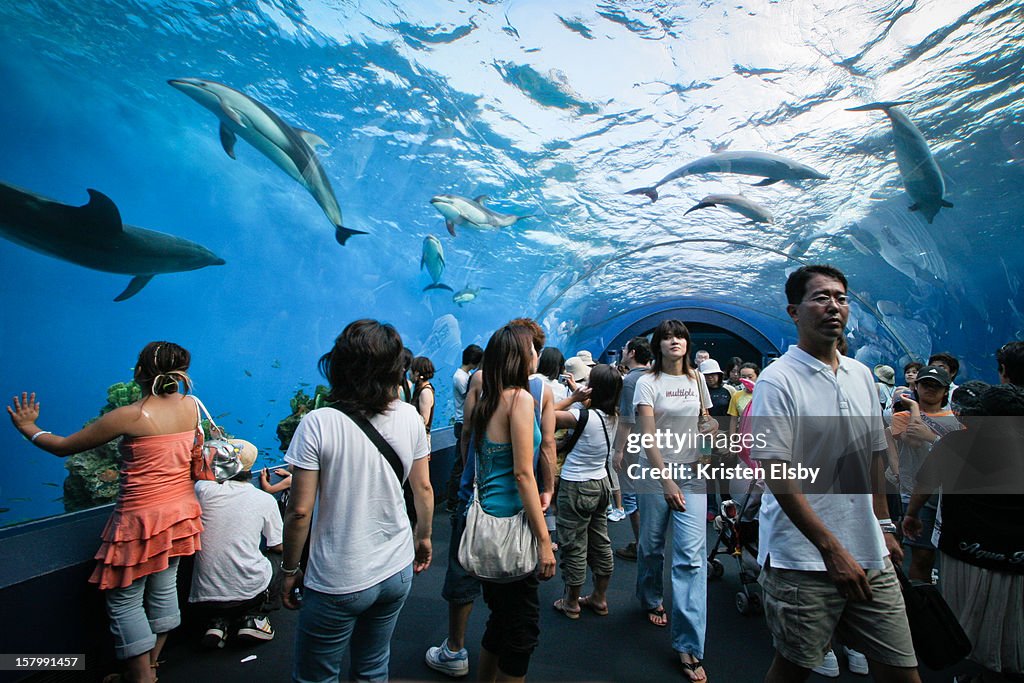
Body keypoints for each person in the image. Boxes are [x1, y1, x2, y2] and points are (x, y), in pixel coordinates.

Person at [748, 265, 919, 683]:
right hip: (802, 558)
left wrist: (884, 527)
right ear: (794, 311)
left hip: (869, 550)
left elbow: (874, 456)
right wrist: (831, 549)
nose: (834, 306)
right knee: (793, 668)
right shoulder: (778, 380)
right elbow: (776, 474)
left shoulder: (862, 375)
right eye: (820, 297)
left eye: (841, 297)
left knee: (903, 670)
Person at [6, 341, 203, 683]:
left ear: (140, 371)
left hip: (140, 520)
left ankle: (141, 677)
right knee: (164, 585)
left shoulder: (131, 414)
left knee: (124, 598)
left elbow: (65, 447)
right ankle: (153, 662)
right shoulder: (192, 405)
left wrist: (29, 428)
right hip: (181, 514)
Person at [280, 320, 433, 682]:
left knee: (317, 675)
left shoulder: (318, 423)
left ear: (340, 365)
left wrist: (288, 570)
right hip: (396, 567)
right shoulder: (410, 416)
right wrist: (423, 537)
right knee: (373, 666)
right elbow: (423, 489)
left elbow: (299, 511)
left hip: (339, 576)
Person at [903, 382, 1024, 682]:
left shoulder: (957, 443)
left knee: (965, 615)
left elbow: (925, 482)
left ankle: (975, 669)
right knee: (1012, 618)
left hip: (965, 547)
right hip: (1016, 553)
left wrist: (911, 514)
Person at [467, 324, 557, 681]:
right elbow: (523, 474)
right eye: (532, 349)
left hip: (487, 523)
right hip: (511, 530)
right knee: (522, 632)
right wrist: (545, 543)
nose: (537, 354)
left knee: (500, 620)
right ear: (520, 357)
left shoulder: (490, 397)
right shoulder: (520, 400)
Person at [633, 319, 715, 681]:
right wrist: (666, 479)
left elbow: (706, 421)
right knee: (651, 545)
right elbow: (647, 437)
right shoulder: (647, 383)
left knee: (691, 558)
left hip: (693, 471)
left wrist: (708, 445)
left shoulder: (696, 379)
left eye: (679, 336)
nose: (674, 342)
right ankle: (650, 597)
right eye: (667, 337)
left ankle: (688, 645)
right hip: (655, 472)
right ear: (658, 345)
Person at [189, 439, 283, 648]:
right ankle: (254, 618)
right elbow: (278, 545)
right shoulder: (263, 499)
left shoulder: (201, 491)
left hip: (204, 598)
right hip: (249, 594)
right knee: (280, 555)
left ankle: (217, 623)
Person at [551, 364, 621, 620]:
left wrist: (573, 398)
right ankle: (599, 598)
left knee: (574, 545)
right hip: (601, 484)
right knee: (601, 542)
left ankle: (571, 602)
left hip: (576, 486)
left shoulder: (581, 416)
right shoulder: (614, 415)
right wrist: (579, 393)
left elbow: (545, 414)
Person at [888, 365, 961, 582]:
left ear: (945, 390)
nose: (930, 389)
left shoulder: (956, 419)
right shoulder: (902, 416)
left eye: (936, 386)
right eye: (925, 384)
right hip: (912, 490)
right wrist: (914, 407)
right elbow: (914, 440)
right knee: (920, 556)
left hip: (943, 493)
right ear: (916, 387)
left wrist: (929, 434)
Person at [612, 336, 653, 561]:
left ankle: (641, 545)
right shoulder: (657, 377)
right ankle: (650, 542)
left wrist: (619, 451)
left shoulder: (630, 381)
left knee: (631, 496)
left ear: (633, 353)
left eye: (625, 349)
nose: (622, 352)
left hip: (634, 444)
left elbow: (626, 419)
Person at [449, 344, 483, 511]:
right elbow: (470, 396)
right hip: (462, 422)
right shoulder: (461, 377)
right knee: (459, 463)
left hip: (464, 421)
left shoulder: (467, 375)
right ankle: (453, 501)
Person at [700, 359, 733, 521]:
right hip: (704, 439)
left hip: (724, 437)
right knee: (707, 474)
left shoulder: (729, 391)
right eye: (706, 375)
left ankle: (727, 506)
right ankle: (711, 507)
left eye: (713, 374)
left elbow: (734, 416)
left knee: (724, 474)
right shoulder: (699, 393)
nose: (710, 378)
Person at [727, 363, 760, 439]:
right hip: (744, 437)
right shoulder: (736, 395)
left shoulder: (764, 394)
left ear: (757, 377)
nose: (747, 380)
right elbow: (733, 421)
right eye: (743, 377)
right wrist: (732, 442)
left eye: (750, 377)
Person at [411, 355, 437, 441]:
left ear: (417, 373)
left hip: (421, 439)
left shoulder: (425, 392)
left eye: (411, 370)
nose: (409, 373)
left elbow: (424, 420)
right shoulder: (420, 388)